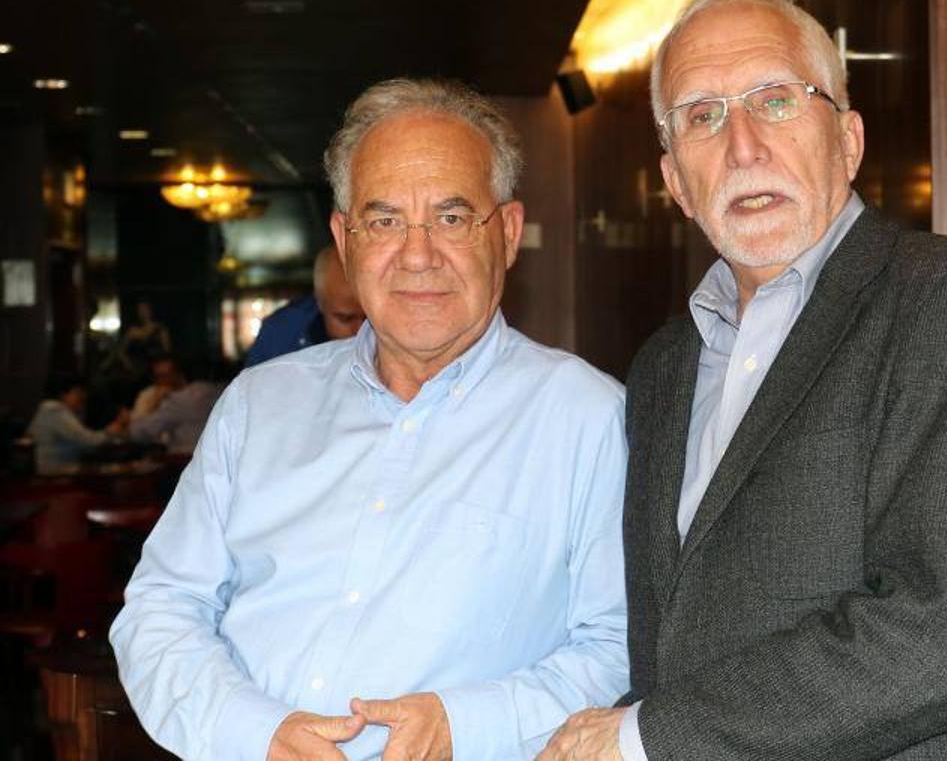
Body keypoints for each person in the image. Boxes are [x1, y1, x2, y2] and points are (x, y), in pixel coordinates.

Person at [540, 0, 947, 760]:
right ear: (676, 182)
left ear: (849, 140)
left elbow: (945, 632)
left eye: (777, 101)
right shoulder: (662, 368)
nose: (743, 146)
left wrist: (641, 737)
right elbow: (675, 650)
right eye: (702, 115)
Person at [111, 78, 629, 761]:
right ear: (346, 241)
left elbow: (618, 646)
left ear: (505, 234)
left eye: (451, 217)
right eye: (384, 221)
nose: (418, 255)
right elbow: (159, 610)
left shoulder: (588, 418)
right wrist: (255, 733)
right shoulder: (257, 406)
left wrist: (465, 723)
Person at [244, 246, 366, 366]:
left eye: (368, 317)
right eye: (345, 319)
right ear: (319, 302)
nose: (361, 330)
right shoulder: (278, 336)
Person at [25, 374, 128, 474]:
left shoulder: (47, 410)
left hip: (54, 470)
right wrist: (109, 432)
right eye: (78, 393)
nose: (83, 396)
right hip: (58, 473)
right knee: (118, 472)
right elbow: (87, 441)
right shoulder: (56, 412)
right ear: (63, 395)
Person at [128, 357, 223, 456]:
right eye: (158, 377)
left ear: (178, 375)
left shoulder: (178, 400)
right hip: (213, 455)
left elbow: (139, 433)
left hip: (186, 460)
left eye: (165, 375)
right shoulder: (211, 390)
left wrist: (150, 405)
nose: (162, 381)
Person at [130, 355, 187, 421]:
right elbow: (136, 423)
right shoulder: (146, 396)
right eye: (159, 376)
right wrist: (154, 403)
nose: (165, 380)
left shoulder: (190, 390)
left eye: (168, 375)